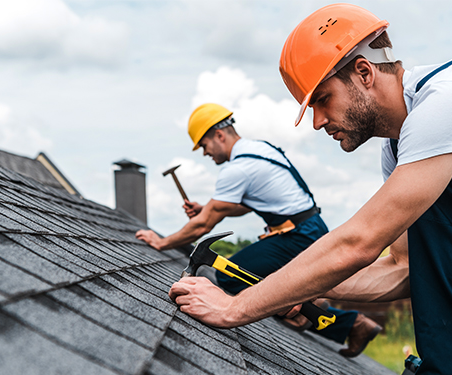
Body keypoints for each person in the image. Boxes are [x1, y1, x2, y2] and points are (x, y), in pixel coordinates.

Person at [168, 3, 452, 374]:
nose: (318, 121)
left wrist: (236, 307)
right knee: (438, 203)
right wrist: (288, 292)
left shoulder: (446, 103)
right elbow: (405, 270)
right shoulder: (403, 154)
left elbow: (358, 242)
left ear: (365, 73)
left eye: (323, 99)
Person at [136, 103, 382, 357]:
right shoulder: (260, 150)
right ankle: (327, 314)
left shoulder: (237, 168)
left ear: (219, 135)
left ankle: (318, 313)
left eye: (204, 145)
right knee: (264, 280)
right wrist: (207, 208)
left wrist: (162, 242)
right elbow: (243, 206)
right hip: (308, 228)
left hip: (296, 236)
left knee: (231, 276)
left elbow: (203, 225)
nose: (205, 153)